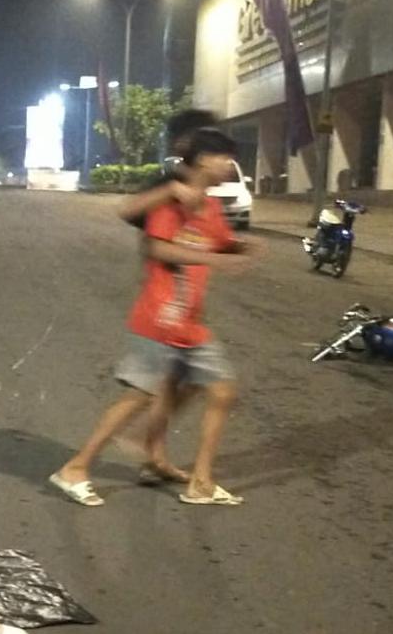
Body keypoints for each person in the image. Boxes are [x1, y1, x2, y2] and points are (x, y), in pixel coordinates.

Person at [51, 128, 260, 507]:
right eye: (223, 157)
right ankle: (76, 468)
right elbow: (159, 250)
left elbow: (221, 241)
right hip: (159, 317)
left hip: (191, 322)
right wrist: (217, 259)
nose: (229, 164)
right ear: (202, 161)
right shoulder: (168, 203)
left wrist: (242, 246)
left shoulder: (210, 206)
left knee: (221, 389)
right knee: (139, 396)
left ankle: (199, 481)